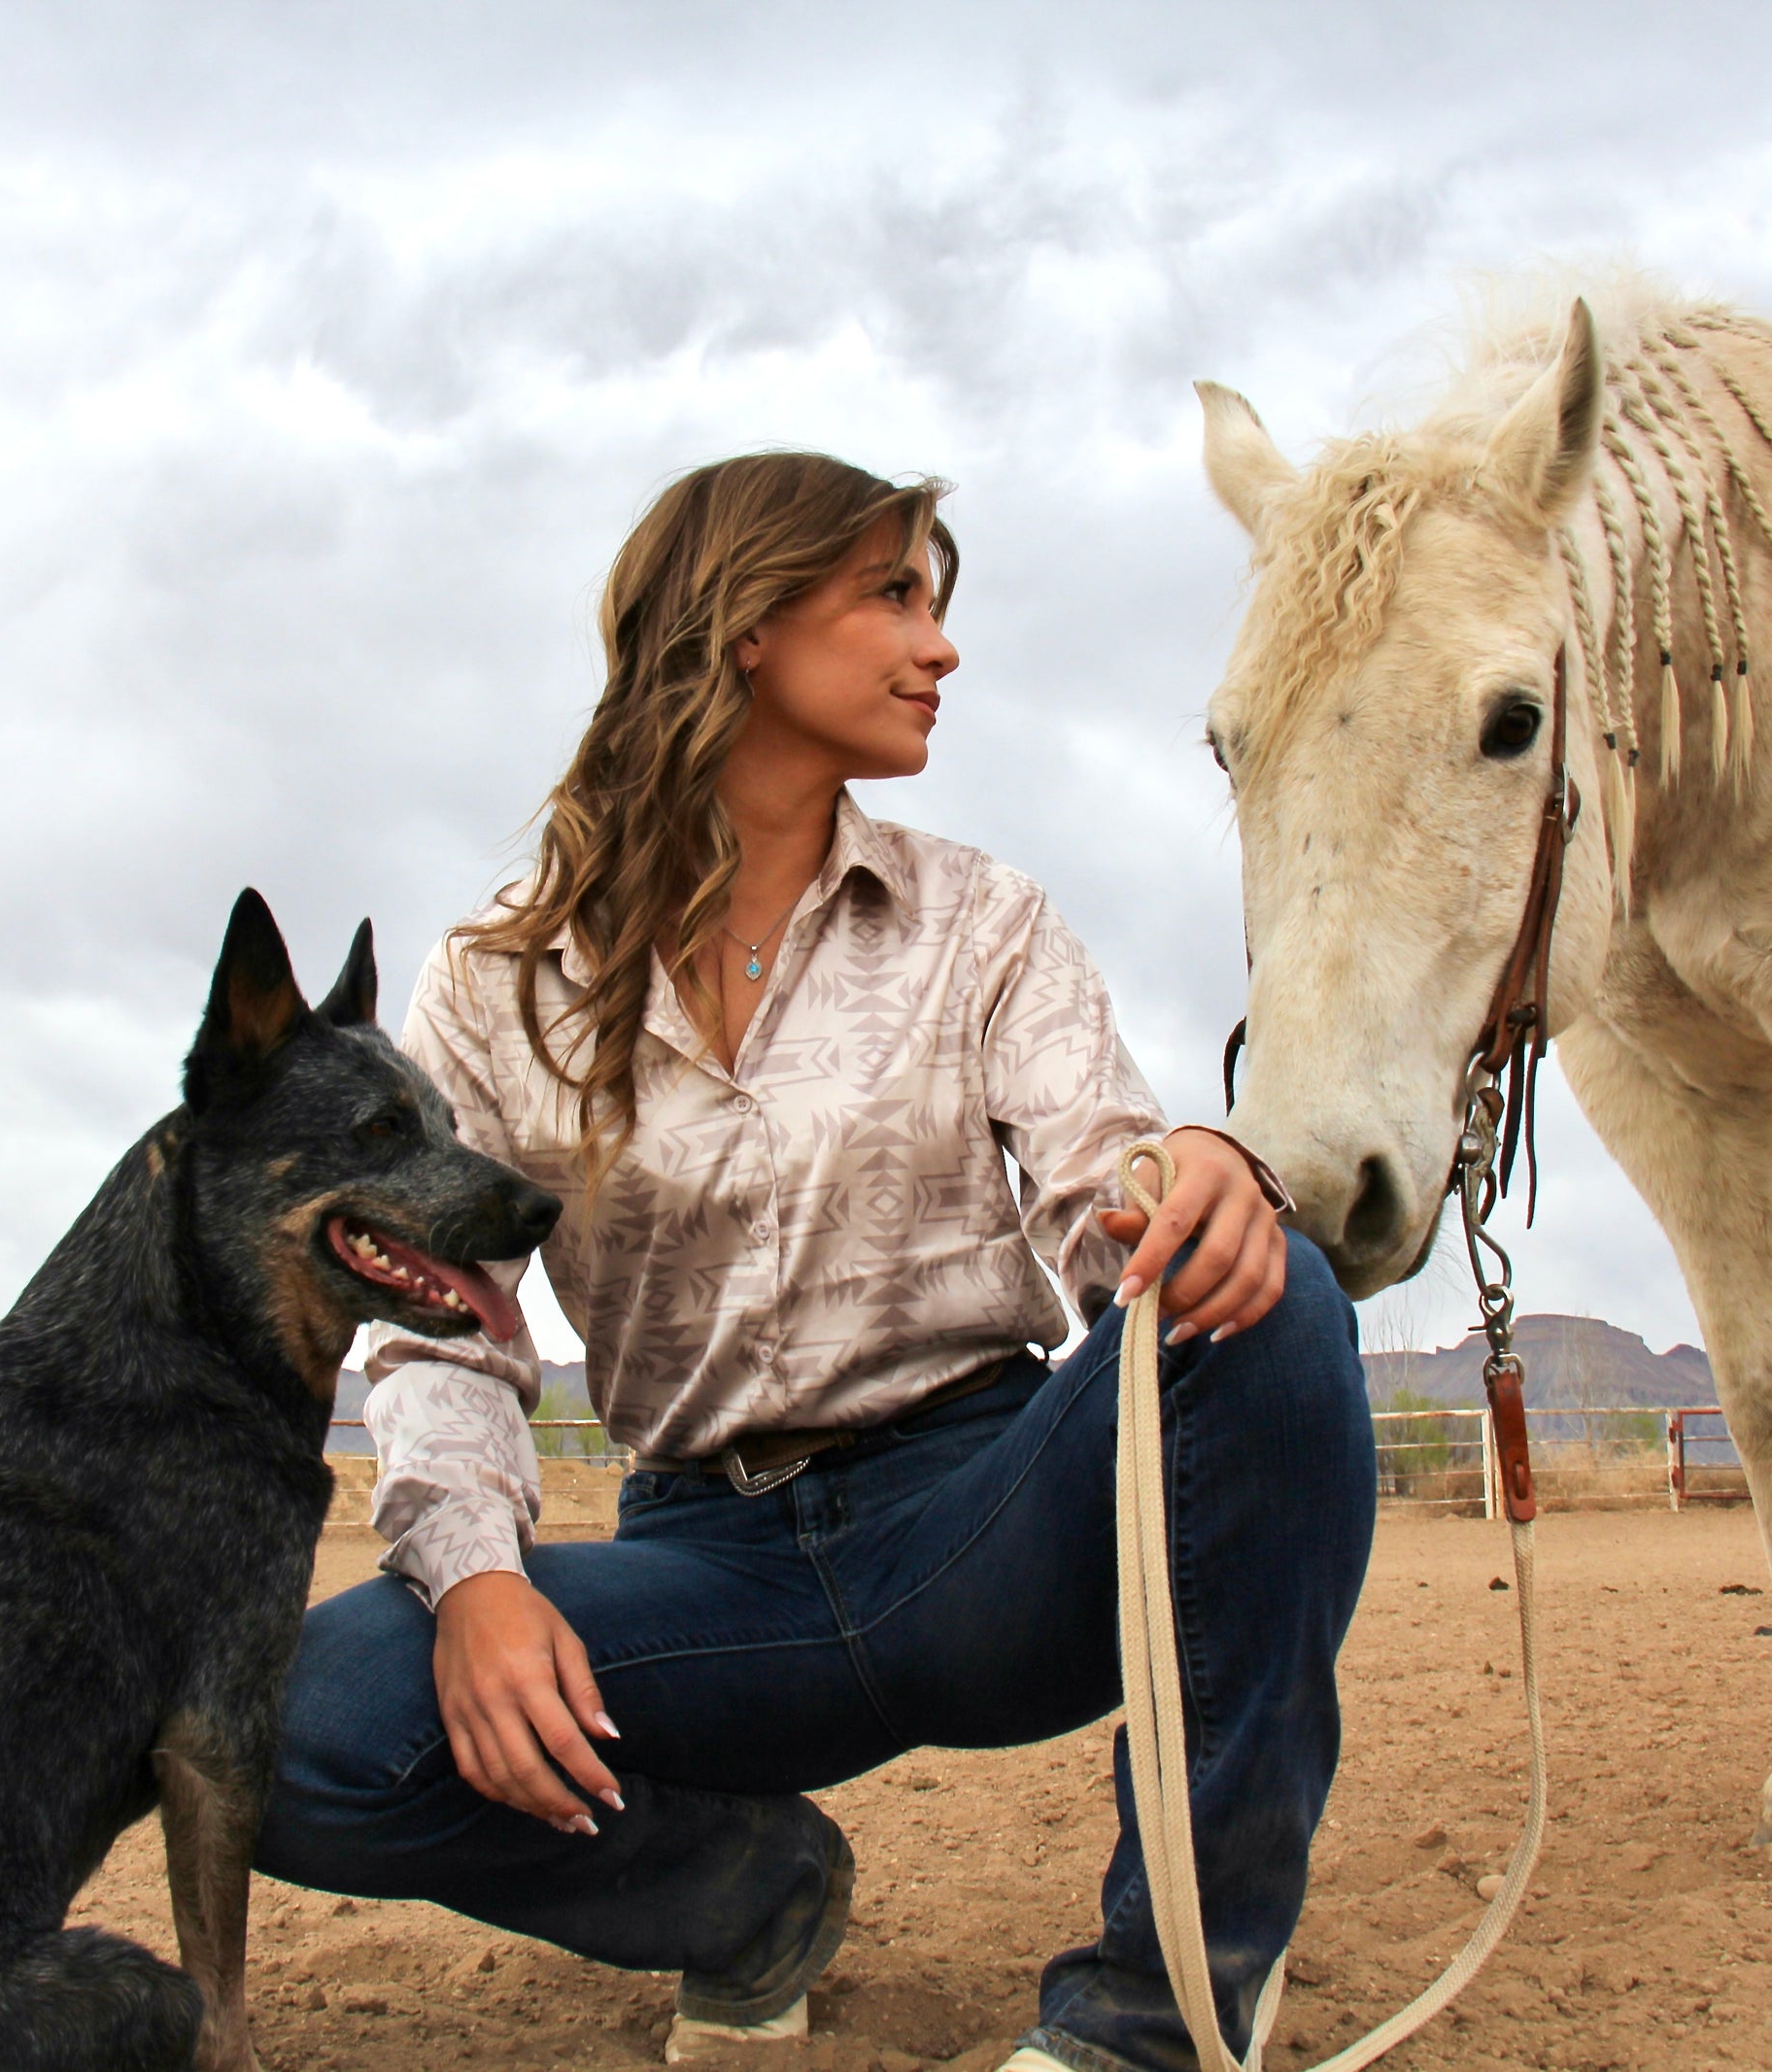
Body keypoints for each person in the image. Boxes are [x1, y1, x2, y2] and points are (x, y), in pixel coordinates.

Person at [254, 453, 1375, 2072]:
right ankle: (742, 1890)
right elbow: (441, 1333)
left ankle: (1164, 2008)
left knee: (1273, 1301)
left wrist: (1183, 1176)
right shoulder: (496, 984)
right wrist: (478, 1576)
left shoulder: (983, 920)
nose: (944, 646)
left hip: (985, 1530)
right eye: (896, 595)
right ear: (748, 626)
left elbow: (1099, 1180)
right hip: (704, 1576)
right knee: (290, 1726)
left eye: (940, 603)